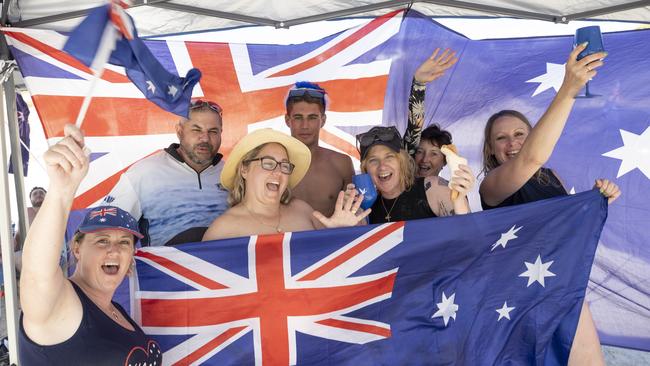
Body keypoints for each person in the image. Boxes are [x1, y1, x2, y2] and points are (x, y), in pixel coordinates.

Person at [479, 44, 619, 366]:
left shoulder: (550, 177)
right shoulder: (492, 184)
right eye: (501, 138)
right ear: (490, 148)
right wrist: (569, 89)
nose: (512, 143)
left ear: (533, 134)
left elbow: (568, 231)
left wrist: (597, 200)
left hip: (565, 288)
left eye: (519, 133)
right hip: (521, 298)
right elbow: (532, 156)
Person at [19, 124, 162, 365]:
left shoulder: (115, 310)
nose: (114, 250)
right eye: (102, 240)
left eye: (124, 242)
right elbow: (37, 274)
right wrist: (61, 190)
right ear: (77, 248)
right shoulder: (61, 305)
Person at [202, 128, 369, 241]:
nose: (278, 172)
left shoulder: (302, 210)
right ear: (244, 169)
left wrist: (341, 231)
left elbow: (329, 255)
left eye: (284, 165)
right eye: (268, 163)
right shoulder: (222, 230)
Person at [106, 99, 229, 246]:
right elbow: (105, 228)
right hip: (165, 268)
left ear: (221, 133)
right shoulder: (144, 172)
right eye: (196, 130)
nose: (205, 138)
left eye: (213, 131)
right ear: (179, 131)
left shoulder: (232, 174)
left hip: (228, 267)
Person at [356, 126, 475, 224]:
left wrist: (459, 201)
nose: (382, 166)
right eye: (373, 160)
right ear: (366, 170)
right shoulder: (365, 208)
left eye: (389, 157)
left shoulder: (432, 187)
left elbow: (469, 234)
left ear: (402, 161)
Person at [284, 82, 355, 217]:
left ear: (323, 120)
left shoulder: (342, 163)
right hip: (286, 238)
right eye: (298, 118)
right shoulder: (273, 165)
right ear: (288, 120)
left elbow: (354, 213)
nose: (305, 126)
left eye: (312, 118)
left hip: (332, 238)